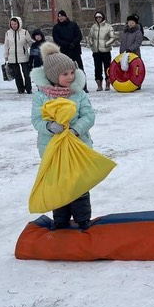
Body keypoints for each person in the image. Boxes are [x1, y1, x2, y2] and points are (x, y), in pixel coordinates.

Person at [30, 42, 94, 230]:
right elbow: (36, 120)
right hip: (53, 150)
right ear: (52, 76)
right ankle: (60, 221)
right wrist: (50, 126)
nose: (70, 77)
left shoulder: (78, 93)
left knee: (78, 185)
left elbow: (89, 115)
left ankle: (83, 220)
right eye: (65, 74)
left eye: (72, 72)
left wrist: (75, 129)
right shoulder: (41, 96)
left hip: (77, 147)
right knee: (58, 185)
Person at [52, 10, 86, 91]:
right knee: (65, 70)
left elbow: (79, 35)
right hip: (64, 51)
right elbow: (56, 39)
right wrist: (66, 44)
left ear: (66, 17)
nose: (60, 18)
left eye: (62, 16)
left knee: (80, 69)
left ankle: (83, 86)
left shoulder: (73, 25)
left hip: (75, 50)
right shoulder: (56, 27)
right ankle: (66, 87)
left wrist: (73, 43)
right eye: (59, 16)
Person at [4, 16, 33, 94]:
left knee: (26, 73)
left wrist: (34, 52)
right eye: (12, 24)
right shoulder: (8, 33)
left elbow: (30, 43)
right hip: (12, 57)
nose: (13, 25)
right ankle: (20, 89)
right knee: (17, 74)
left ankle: (28, 89)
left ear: (19, 24)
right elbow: (6, 45)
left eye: (15, 24)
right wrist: (6, 55)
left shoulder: (25, 32)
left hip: (24, 56)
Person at [88, 11, 116, 91]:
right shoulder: (94, 27)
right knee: (97, 68)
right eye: (97, 17)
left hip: (106, 51)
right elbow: (89, 37)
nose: (98, 19)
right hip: (96, 51)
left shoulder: (108, 26)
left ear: (103, 17)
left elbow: (113, 37)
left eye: (99, 17)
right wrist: (91, 43)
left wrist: (106, 44)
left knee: (107, 68)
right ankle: (99, 85)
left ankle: (108, 84)